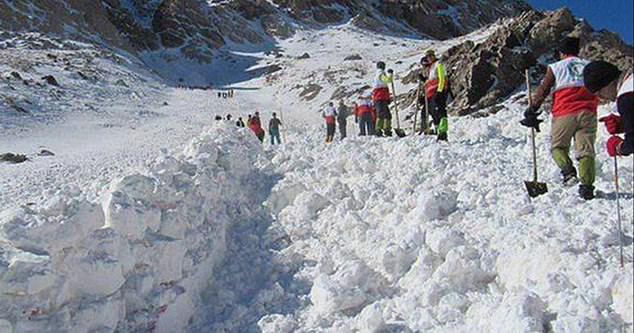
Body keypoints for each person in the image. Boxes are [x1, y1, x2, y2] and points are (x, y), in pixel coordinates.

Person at [521, 37, 599, 200]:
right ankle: (587, 187)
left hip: (565, 111)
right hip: (588, 112)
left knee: (558, 147)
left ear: (562, 52)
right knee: (586, 151)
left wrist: (532, 109)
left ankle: (568, 172)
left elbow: (544, 89)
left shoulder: (556, 67)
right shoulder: (589, 66)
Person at [583, 61, 633, 156]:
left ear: (608, 82)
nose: (601, 98)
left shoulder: (626, 96)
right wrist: (625, 123)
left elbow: (632, 143)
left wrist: (618, 147)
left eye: (599, 92)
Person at [420, 50, 449, 141]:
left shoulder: (438, 64)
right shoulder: (431, 67)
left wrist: (440, 91)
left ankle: (443, 132)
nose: (429, 58)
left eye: (430, 56)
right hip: (430, 93)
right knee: (432, 112)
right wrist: (424, 80)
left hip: (438, 91)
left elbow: (441, 78)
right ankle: (436, 130)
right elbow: (430, 81)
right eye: (428, 57)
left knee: (440, 111)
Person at [372, 61, 394, 137]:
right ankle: (381, 129)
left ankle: (384, 129)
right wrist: (390, 74)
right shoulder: (380, 74)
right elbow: (388, 80)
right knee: (383, 114)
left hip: (380, 98)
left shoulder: (377, 75)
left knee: (386, 114)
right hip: (380, 97)